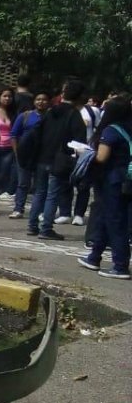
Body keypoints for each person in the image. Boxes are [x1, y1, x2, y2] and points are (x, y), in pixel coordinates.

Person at [77, 96, 132, 279]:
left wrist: (84, 153)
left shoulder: (111, 130)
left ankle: (120, 265)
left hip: (112, 181)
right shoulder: (129, 128)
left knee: (115, 222)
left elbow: (101, 157)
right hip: (126, 179)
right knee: (103, 218)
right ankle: (94, 256)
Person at [27, 81, 88, 240]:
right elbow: (80, 143)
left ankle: (32, 225)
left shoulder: (50, 112)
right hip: (60, 160)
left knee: (40, 192)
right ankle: (46, 228)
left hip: (42, 157)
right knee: (52, 195)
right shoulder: (74, 115)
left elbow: (37, 133)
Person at [57, 93, 101, 226]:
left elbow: (98, 128)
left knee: (83, 185)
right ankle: (65, 212)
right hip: (66, 151)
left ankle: (79, 214)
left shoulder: (92, 111)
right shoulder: (65, 111)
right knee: (65, 183)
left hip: (85, 153)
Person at [8, 92, 50, 219]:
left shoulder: (51, 117)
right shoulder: (25, 116)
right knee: (23, 183)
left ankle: (39, 211)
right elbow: (14, 135)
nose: (41, 102)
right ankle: (18, 209)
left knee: (40, 185)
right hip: (25, 154)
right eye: (38, 99)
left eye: (44, 99)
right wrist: (16, 152)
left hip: (43, 155)